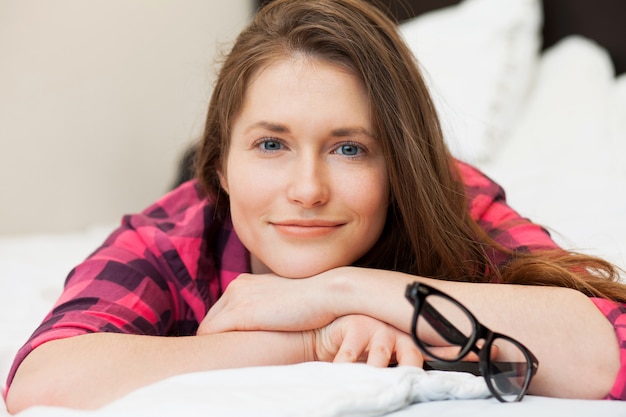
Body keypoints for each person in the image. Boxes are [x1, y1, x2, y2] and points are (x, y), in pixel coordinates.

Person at [5, 0, 626, 412]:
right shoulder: (172, 232)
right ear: (220, 163)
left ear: (400, 164)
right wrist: (312, 342)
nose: (307, 189)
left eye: (350, 148)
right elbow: (41, 384)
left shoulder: (450, 198)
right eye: (271, 143)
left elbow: (610, 353)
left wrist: (348, 290)